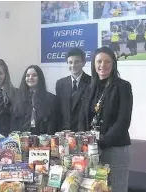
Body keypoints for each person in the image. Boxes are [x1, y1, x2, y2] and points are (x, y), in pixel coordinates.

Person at [79, 46, 133, 192]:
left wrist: (101, 142)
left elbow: (123, 122)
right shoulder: (89, 87)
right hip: (92, 149)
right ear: (94, 64)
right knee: (94, 188)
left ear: (113, 64)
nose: (103, 65)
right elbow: (83, 118)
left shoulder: (123, 86)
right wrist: (84, 142)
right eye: (99, 61)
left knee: (116, 188)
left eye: (107, 61)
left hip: (115, 148)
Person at [11, 65, 57, 135]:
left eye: (34, 75)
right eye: (28, 75)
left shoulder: (50, 99)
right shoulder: (18, 97)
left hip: (43, 140)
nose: (30, 78)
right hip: (22, 140)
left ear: (40, 78)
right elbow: (14, 122)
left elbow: (52, 123)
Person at [55, 48, 91, 132]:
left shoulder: (92, 82)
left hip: (84, 131)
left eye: (77, 62)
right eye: (70, 62)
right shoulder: (60, 84)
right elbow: (59, 109)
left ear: (84, 63)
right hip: (65, 132)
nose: (73, 65)